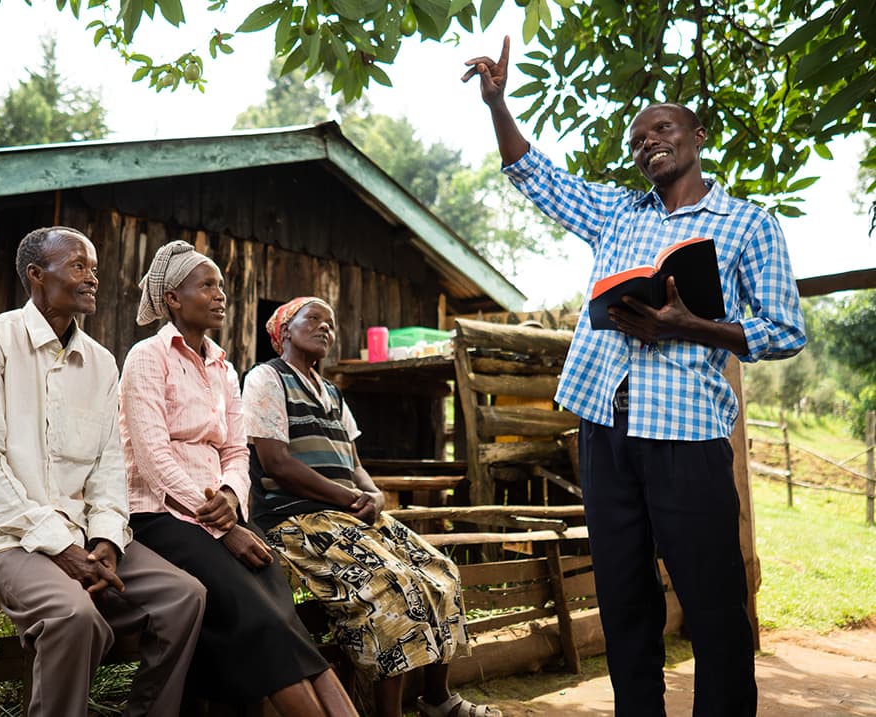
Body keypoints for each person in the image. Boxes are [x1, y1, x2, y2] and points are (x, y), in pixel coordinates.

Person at [464, 39, 806, 717]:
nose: (648, 142)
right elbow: (533, 174)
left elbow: (785, 330)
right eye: (637, 138)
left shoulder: (747, 224)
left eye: (663, 128)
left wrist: (687, 325)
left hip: (686, 433)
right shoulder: (619, 214)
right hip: (604, 425)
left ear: (697, 136)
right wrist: (499, 102)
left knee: (713, 602)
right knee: (623, 598)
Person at [0, 226, 206, 717]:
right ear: (36, 276)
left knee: (184, 597)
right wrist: (61, 546)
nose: (92, 278)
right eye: (78, 267)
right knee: (73, 616)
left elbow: (109, 463)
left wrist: (108, 538)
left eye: (94, 268)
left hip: (85, 536)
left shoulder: (101, 362)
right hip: (4, 537)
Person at [119, 241, 358, 717]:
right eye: (207, 285)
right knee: (259, 617)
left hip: (222, 513)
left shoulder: (223, 369)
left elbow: (234, 449)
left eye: (221, 286)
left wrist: (231, 496)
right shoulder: (148, 357)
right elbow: (152, 459)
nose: (220, 294)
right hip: (159, 517)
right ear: (173, 298)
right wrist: (223, 526)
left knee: (282, 615)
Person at [241, 297, 501, 717]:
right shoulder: (266, 379)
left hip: (347, 515)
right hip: (296, 518)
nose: (326, 328)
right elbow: (277, 463)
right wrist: (349, 497)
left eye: (331, 323)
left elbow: (355, 465)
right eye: (314, 319)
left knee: (440, 572)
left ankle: (437, 699)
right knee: (391, 583)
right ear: (285, 331)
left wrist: (375, 494)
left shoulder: (331, 393)